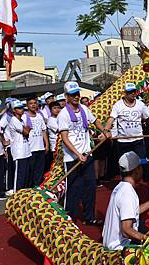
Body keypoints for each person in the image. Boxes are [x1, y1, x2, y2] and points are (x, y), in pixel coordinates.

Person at [58, 81, 107, 225]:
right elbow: (65, 138)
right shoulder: (64, 114)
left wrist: (104, 131)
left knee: (90, 186)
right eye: (72, 94)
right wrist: (77, 154)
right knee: (74, 188)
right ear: (66, 96)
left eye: (77, 94)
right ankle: (69, 219)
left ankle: (89, 216)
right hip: (72, 158)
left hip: (87, 154)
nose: (76, 97)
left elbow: (95, 121)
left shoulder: (84, 109)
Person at [102, 151, 149, 250]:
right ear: (137, 171)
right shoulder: (128, 193)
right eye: (141, 167)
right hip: (119, 249)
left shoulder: (120, 187)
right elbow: (126, 230)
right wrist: (148, 240)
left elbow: (133, 211)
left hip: (110, 244)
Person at [105, 83, 149, 185]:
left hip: (137, 140)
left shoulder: (140, 104)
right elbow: (111, 119)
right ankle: (125, 185)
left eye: (134, 91)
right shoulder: (118, 105)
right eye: (130, 92)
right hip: (123, 141)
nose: (132, 94)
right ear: (125, 93)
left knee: (144, 162)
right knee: (124, 165)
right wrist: (106, 131)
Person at [8, 99, 32, 191]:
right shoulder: (14, 120)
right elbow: (26, 131)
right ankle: (16, 194)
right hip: (19, 152)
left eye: (22, 108)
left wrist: (27, 129)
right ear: (14, 110)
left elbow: (27, 130)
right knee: (19, 177)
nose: (21, 110)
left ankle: (23, 195)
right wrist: (27, 129)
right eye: (18, 108)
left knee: (26, 176)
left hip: (26, 151)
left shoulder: (21, 120)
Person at [24, 97, 48, 186]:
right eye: (31, 103)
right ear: (27, 105)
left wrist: (47, 144)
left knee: (39, 170)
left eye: (35, 103)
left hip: (40, 147)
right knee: (30, 170)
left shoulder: (39, 116)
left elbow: (43, 130)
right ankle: (30, 188)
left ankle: (37, 186)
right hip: (30, 148)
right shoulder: (24, 116)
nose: (33, 105)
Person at [45, 101, 62, 172]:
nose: (57, 110)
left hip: (62, 145)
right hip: (55, 146)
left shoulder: (61, 118)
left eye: (58, 108)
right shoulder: (51, 120)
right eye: (54, 108)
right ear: (50, 110)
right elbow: (60, 129)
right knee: (56, 165)